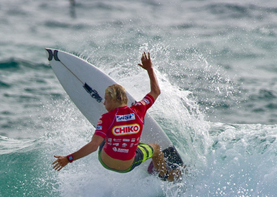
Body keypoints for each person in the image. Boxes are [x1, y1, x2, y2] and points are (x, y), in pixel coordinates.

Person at [52, 52, 182, 182]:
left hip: (106, 161)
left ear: (113, 100)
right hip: (127, 165)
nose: (104, 103)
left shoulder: (106, 118)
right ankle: (164, 176)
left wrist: (68, 159)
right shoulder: (139, 109)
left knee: (104, 135)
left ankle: (119, 141)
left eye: (106, 100)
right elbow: (155, 92)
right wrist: (149, 69)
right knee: (156, 148)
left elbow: (93, 146)